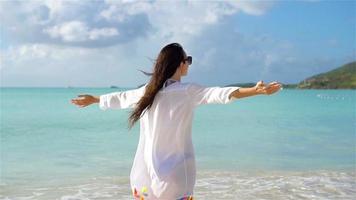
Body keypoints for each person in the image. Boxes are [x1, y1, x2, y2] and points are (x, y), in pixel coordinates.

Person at [71, 43, 282, 200]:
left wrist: (95, 99)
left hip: (145, 176)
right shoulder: (187, 91)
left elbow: (120, 98)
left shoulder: (147, 92)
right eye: (187, 60)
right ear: (180, 64)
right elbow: (220, 93)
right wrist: (255, 91)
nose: (188, 64)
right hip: (176, 176)